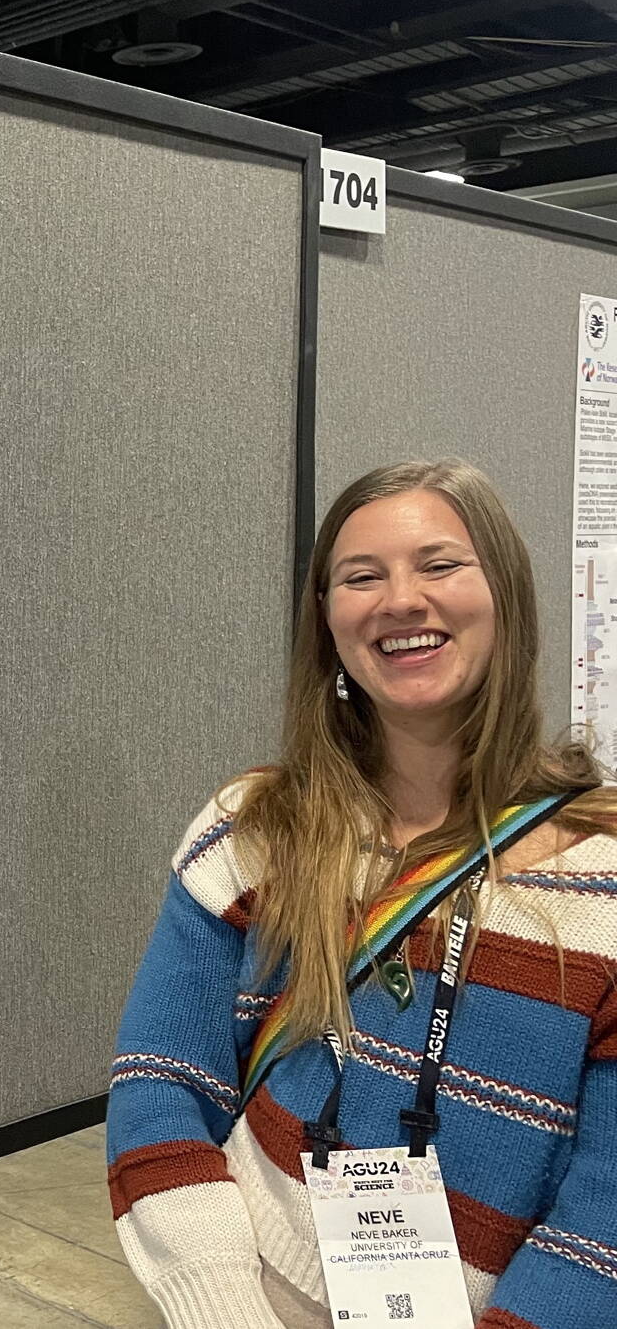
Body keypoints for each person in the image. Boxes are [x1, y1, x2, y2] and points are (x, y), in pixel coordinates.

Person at [108, 460, 617, 1328]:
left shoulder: (601, 883)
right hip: (249, 1294)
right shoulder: (254, 829)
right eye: (361, 576)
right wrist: (224, 1306)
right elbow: (160, 1086)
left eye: (440, 564)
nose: (401, 599)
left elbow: (601, 1226)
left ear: (507, 596)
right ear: (329, 623)